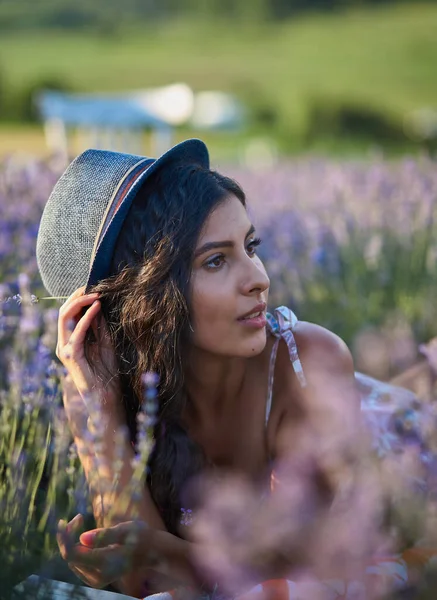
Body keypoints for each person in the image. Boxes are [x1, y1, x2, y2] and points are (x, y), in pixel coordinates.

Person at [36, 139, 431, 600]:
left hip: (403, 452)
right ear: (145, 298)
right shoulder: (99, 390)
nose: (259, 278)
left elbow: (324, 565)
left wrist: (169, 552)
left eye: (250, 246)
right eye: (217, 261)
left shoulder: (305, 362)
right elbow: (140, 581)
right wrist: (100, 411)